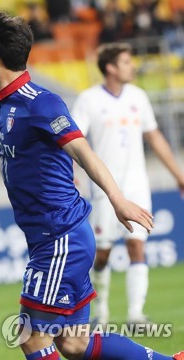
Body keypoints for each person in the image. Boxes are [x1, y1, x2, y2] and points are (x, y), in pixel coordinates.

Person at [0, 5, 183, 360]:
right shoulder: (4, 101)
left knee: (30, 336)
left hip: (59, 239)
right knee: (73, 343)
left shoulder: (41, 104)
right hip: (56, 238)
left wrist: (117, 199)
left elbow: (84, 152)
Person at [71, 42, 184, 326]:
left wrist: (178, 174)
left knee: (137, 245)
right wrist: (72, 172)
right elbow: (73, 141)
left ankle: (136, 314)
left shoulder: (138, 96)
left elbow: (154, 136)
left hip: (136, 185)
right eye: (125, 62)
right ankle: (102, 313)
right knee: (102, 252)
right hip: (104, 189)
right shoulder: (88, 100)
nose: (132, 66)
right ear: (110, 67)